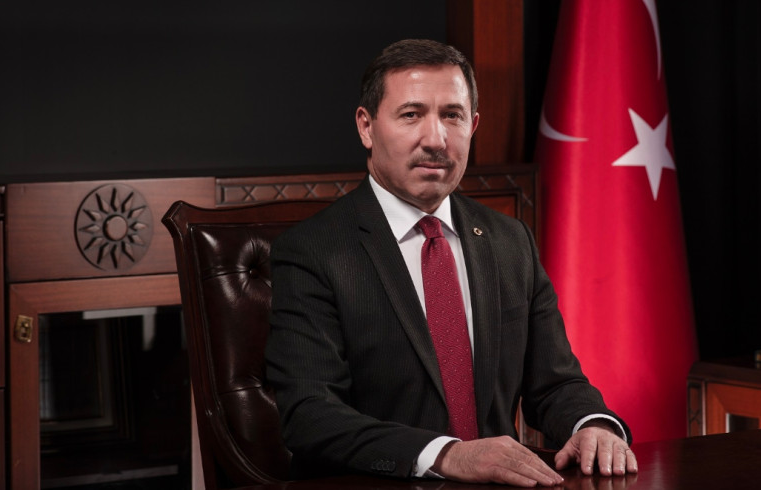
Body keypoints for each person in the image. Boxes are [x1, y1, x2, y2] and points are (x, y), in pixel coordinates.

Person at [265, 39, 638, 487]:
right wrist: (447, 455)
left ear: (472, 125)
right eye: (411, 115)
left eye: (452, 116)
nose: (435, 139)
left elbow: (555, 383)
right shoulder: (312, 251)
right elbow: (310, 414)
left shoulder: (510, 241)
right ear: (366, 127)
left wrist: (592, 426)